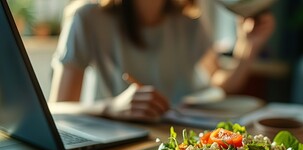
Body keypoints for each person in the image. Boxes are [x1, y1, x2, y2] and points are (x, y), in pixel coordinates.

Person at [49, 0, 275, 122]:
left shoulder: (189, 24)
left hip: (176, 145)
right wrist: (112, 107)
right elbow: (57, 108)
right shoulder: (87, 18)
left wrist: (248, 47)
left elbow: (221, 85)